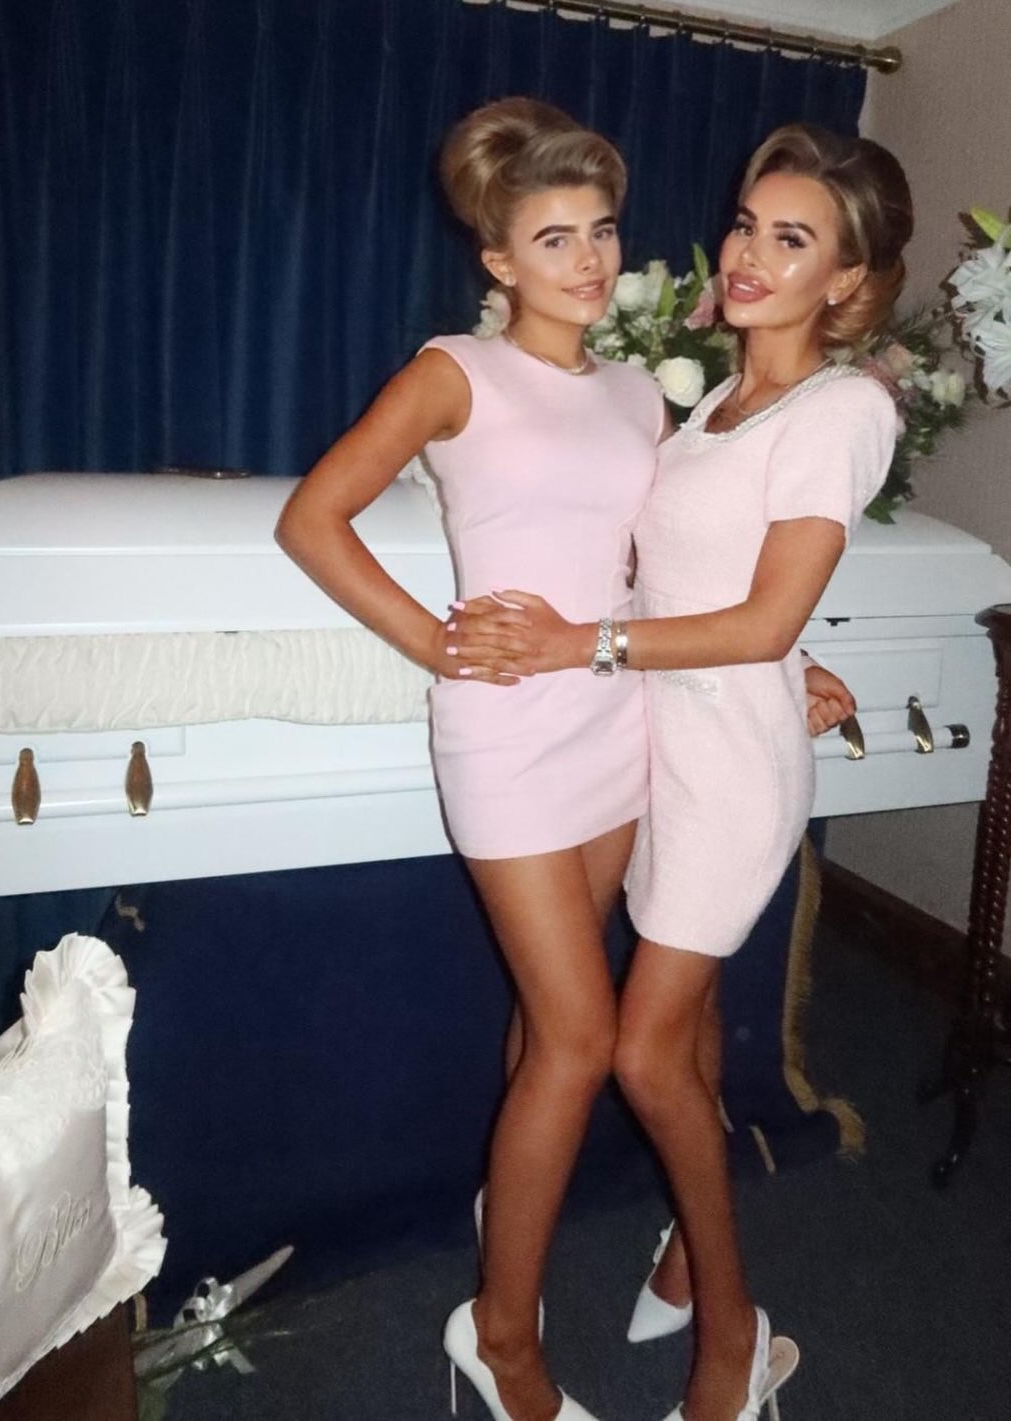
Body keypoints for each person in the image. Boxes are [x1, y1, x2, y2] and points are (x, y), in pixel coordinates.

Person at [276, 100, 853, 1421]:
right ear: (497, 259)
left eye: (600, 231)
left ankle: (514, 1241)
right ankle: (501, 1337)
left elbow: (668, 569)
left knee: (552, 1026)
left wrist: (788, 662)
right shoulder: (453, 373)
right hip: (509, 738)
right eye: (553, 238)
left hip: (615, 719)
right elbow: (314, 518)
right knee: (582, 1041)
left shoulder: (640, 396)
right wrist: (436, 641)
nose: (589, 261)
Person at [448, 123, 913, 1421]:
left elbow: (757, 619)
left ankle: (735, 1335)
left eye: (792, 239)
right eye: (748, 225)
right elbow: (717, 586)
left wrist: (581, 643)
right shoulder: (715, 404)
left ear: (846, 280)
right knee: (688, 1036)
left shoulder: (845, 409)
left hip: (729, 775)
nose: (749, 253)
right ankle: (677, 1257)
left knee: (647, 1056)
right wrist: (786, 652)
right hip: (659, 741)